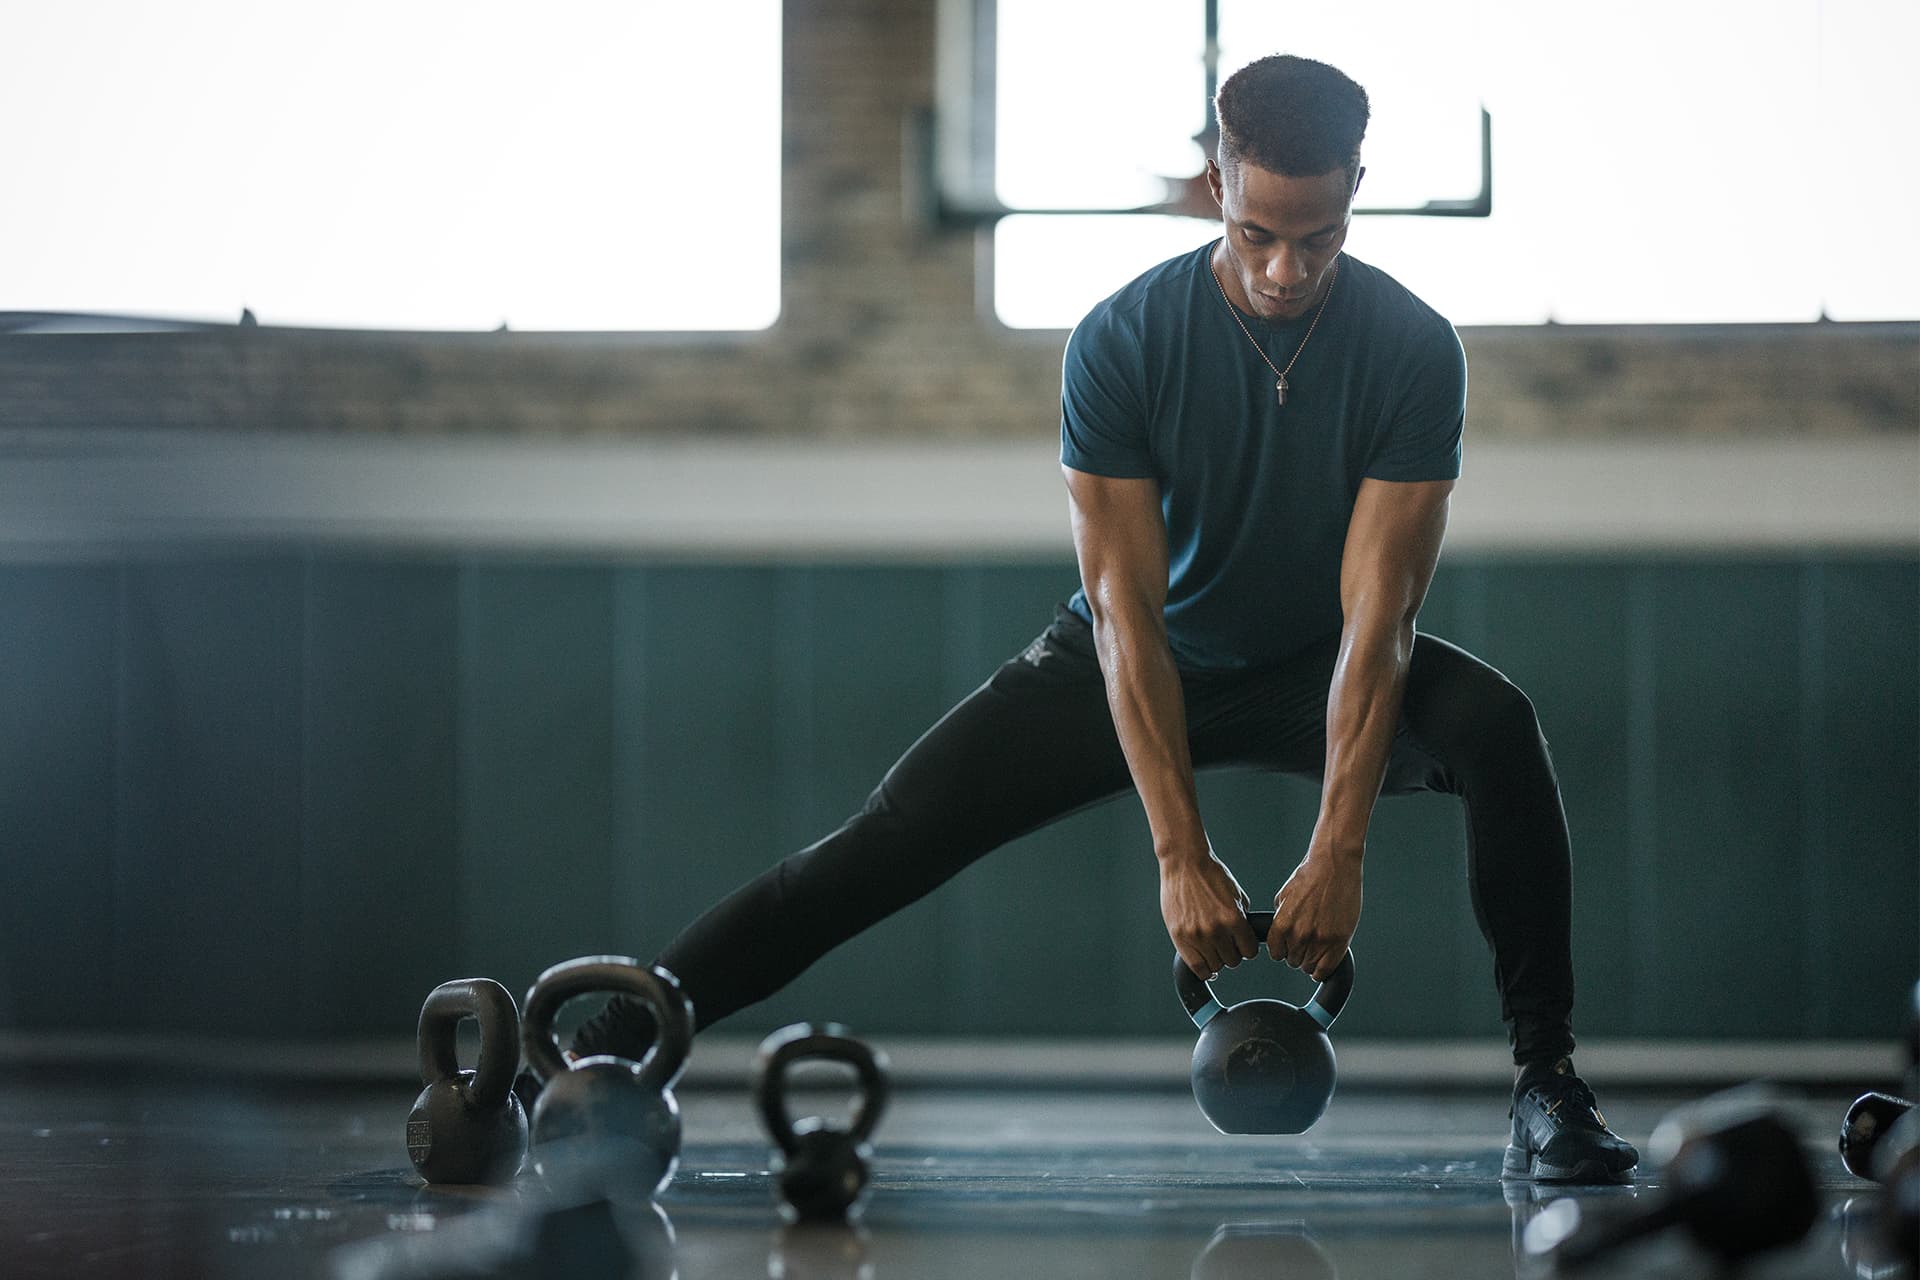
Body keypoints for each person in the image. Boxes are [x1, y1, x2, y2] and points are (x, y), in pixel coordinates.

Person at [567, 54, 1638, 1184]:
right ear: (1218, 184)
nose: (1286, 267)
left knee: (1496, 723)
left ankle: (1547, 1089)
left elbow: (1381, 619)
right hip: (1131, 654)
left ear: (1356, 187)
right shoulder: (1122, 340)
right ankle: (605, 1053)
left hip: (1316, 664)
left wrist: (1339, 846)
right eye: (1261, 231)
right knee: (879, 844)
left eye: (1318, 238)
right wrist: (1180, 855)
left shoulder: (1415, 349)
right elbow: (1127, 616)